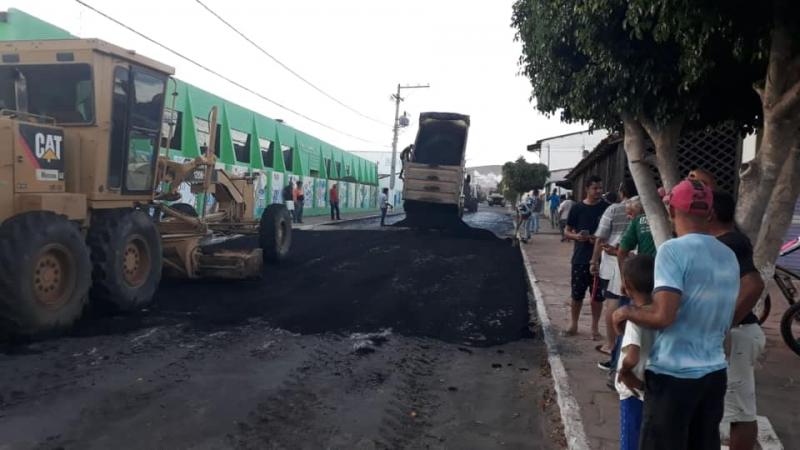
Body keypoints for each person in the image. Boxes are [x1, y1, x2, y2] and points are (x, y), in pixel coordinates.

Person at [612, 179, 739, 450]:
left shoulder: (672, 250)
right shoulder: (728, 255)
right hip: (715, 374)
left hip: (674, 377)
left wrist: (625, 312)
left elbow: (663, 316)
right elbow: (726, 323)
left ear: (671, 211)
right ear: (709, 213)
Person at [708, 190, 766, 450]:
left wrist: (723, 327)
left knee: (740, 410)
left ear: (710, 213)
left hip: (738, 334)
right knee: (729, 407)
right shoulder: (724, 241)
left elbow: (754, 284)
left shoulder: (730, 243)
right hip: (734, 333)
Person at [592, 179, 636, 365]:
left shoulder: (614, 209)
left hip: (613, 260)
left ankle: (612, 345)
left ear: (621, 191)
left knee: (613, 301)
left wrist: (594, 260)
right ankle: (626, 346)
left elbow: (600, 237)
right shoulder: (647, 209)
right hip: (639, 261)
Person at [615, 254, 656, 450]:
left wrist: (624, 372)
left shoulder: (634, 317)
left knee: (631, 440)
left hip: (633, 390)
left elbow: (632, 357)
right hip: (652, 386)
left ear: (627, 285)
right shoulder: (659, 313)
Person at [564, 175, 608, 337]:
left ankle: (594, 327)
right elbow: (566, 231)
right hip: (580, 258)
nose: (598, 191)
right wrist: (576, 237)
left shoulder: (607, 208)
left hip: (601, 259)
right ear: (587, 189)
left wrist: (599, 240)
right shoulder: (577, 208)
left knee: (597, 296)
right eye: (595, 188)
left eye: (600, 188)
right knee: (577, 294)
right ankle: (573, 324)